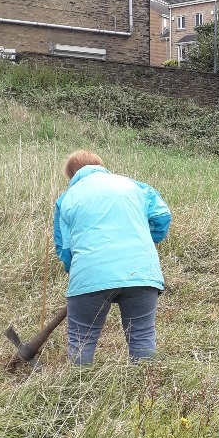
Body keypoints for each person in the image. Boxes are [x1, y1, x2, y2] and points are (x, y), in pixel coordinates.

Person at [53, 150, 172, 365]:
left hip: (90, 273)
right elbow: (162, 217)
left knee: (82, 339)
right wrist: (142, 242)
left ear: (71, 175)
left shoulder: (67, 198)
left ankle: (78, 391)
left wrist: (78, 273)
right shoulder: (135, 186)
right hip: (142, 271)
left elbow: (65, 249)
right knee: (142, 335)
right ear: (100, 165)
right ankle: (146, 391)